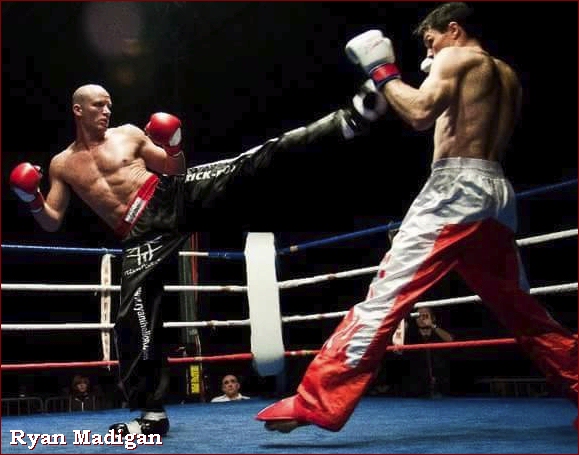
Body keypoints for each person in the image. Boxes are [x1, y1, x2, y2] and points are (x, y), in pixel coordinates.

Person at [256, 2, 578, 433]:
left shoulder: (456, 57)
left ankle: (317, 400)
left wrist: (382, 71)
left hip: (455, 190)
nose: (429, 52)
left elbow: (420, 113)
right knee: (524, 312)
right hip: (497, 193)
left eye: (431, 41)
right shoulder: (507, 75)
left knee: (387, 293)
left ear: (453, 30)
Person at [9, 81, 388, 436]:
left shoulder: (129, 134)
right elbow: (52, 220)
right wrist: (32, 198)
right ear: (78, 110)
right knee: (133, 319)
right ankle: (152, 415)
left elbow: (174, 169)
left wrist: (173, 145)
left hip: (169, 196)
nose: (107, 111)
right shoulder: (62, 164)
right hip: (139, 234)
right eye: (98, 105)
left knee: (250, 161)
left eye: (109, 105)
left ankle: (345, 122)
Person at [403, 307, 454, 397]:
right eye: (418, 316)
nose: (421, 318)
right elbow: (398, 351)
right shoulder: (410, 334)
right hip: (416, 387)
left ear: (433, 318)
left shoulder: (438, 333)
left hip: (441, 384)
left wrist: (432, 325)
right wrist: (403, 331)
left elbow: (451, 340)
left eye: (425, 315)